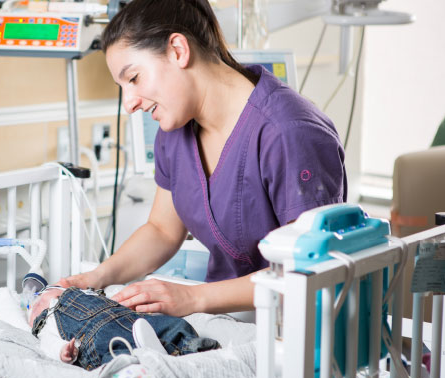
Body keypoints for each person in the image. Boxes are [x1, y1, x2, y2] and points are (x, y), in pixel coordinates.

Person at [57, 0, 346, 316]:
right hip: (232, 324)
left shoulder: (289, 132)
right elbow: (162, 230)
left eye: (134, 78)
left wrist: (193, 298)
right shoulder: (175, 130)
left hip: (301, 331)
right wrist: (94, 278)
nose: (129, 104)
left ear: (178, 51)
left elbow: (308, 268)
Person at [29, 286, 220, 370]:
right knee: (115, 359)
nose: (37, 302)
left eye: (40, 297)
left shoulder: (86, 293)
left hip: (134, 322)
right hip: (98, 339)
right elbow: (48, 343)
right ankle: (154, 359)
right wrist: (64, 351)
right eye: (34, 308)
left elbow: (114, 297)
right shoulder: (47, 323)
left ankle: (191, 347)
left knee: (173, 324)